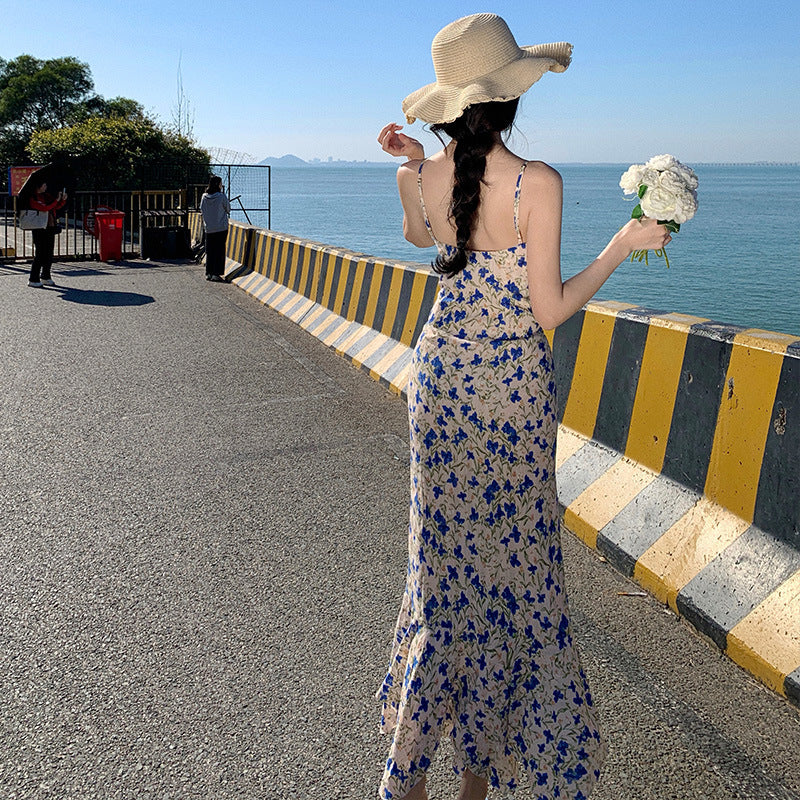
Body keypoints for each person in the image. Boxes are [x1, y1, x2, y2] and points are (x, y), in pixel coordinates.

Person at [375, 14, 671, 800]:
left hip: (438, 384)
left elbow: (419, 235)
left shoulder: (430, 178)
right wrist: (621, 246)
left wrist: (410, 165)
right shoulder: (537, 183)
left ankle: (408, 778)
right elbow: (549, 309)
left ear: (449, 105)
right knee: (515, 577)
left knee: (442, 572)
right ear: (509, 99)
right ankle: (483, 774)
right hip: (510, 401)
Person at [28, 182, 67, 288]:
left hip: (49, 225)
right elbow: (44, 208)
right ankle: (33, 278)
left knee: (49, 252)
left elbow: (55, 207)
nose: (45, 187)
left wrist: (62, 200)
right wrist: (56, 201)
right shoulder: (33, 197)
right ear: (38, 186)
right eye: (43, 185)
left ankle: (46, 275)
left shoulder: (47, 196)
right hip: (39, 226)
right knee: (40, 253)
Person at [199, 175, 231, 281]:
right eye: (221, 183)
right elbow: (228, 209)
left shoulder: (204, 196)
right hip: (221, 228)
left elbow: (201, 209)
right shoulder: (221, 196)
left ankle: (209, 272)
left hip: (209, 228)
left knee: (210, 250)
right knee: (219, 250)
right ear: (218, 184)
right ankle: (216, 274)